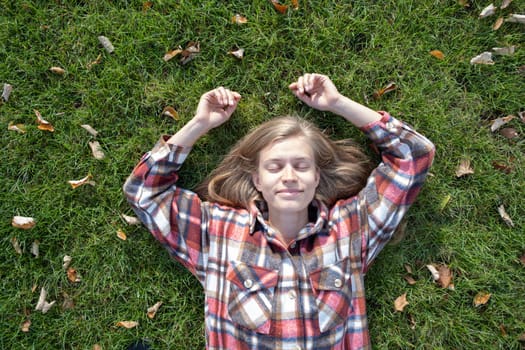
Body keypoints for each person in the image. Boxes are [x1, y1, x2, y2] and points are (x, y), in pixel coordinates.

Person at [123, 73, 435, 349]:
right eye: (274, 167)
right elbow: (144, 192)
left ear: (316, 177)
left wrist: (338, 103)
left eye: (301, 166)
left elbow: (414, 156)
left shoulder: (351, 228)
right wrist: (199, 124)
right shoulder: (215, 231)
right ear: (257, 179)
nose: (289, 176)